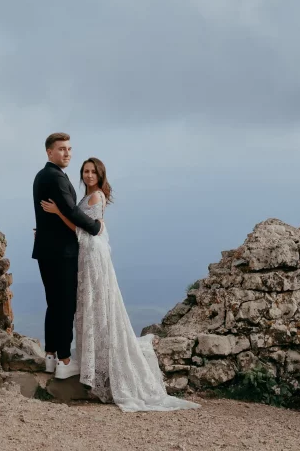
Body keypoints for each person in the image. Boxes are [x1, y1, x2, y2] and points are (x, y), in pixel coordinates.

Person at [41, 156, 200, 412]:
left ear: (101, 175)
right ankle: (87, 359)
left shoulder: (96, 197)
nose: (89, 175)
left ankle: (95, 362)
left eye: (93, 172)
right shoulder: (89, 196)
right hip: (87, 251)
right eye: (85, 171)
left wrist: (59, 212)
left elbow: (83, 228)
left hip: (91, 252)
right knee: (87, 302)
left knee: (94, 300)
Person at [32, 132, 103, 379]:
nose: (67, 153)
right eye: (62, 149)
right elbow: (70, 210)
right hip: (62, 252)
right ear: (49, 152)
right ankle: (64, 360)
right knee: (65, 306)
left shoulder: (42, 176)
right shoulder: (55, 177)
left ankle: (50, 356)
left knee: (54, 304)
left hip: (46, 249)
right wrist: (95, 227)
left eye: (69, 149)